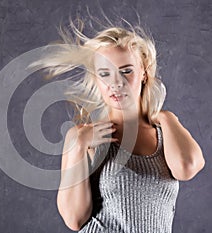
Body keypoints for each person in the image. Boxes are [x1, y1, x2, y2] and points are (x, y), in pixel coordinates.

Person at [30, 18, 205, 233]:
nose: (116, 83)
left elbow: (187, 168)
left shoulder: (165, 132)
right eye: (105, 74)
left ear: (144, 72)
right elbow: (74, 219)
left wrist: (167, 118)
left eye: (126, 71)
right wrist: (78, 145)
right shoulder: (84, 137)